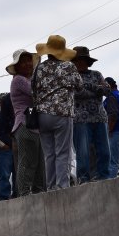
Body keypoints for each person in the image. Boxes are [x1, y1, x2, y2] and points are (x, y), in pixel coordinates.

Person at [32, 35, 81, 191]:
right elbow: (79, 85)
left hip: (42, 115)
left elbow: (32, 89)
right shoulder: (68, 66)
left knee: (49, 154)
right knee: (62, 152)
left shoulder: (39, 68)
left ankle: (51, 187)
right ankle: (62, 187)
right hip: (62, 113)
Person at [7, 48, 46, 196]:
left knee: (38, 162)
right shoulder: (18, 80)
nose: (27, 64)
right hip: (24, 124)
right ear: (17, 66)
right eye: (23, 62)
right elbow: (35, 91)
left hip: (33, 125)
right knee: (27, 161)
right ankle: (24, 192)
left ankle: (38, 191)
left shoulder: (27, 79)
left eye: (29, 60)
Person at [71, 46, 112, 183]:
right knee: (83, 153)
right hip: (80, 120)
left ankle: (104, 177)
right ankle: (83, 179)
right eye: (78, 60)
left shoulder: (97, 74)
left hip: (100, 118)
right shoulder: (71, 76)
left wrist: (87, 86)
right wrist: (96, 90)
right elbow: (76, 93)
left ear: (88, 61)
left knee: (104, 151)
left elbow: (107, 90)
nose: (80, 62)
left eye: (83, 59)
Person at [0, 93, 15, 199]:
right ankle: (5, 197)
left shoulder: (15, 114)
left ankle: (17, 194)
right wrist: (2, 145)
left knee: (17, 173)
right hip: (5, 150)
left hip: (16, 149)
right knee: (4, 175)